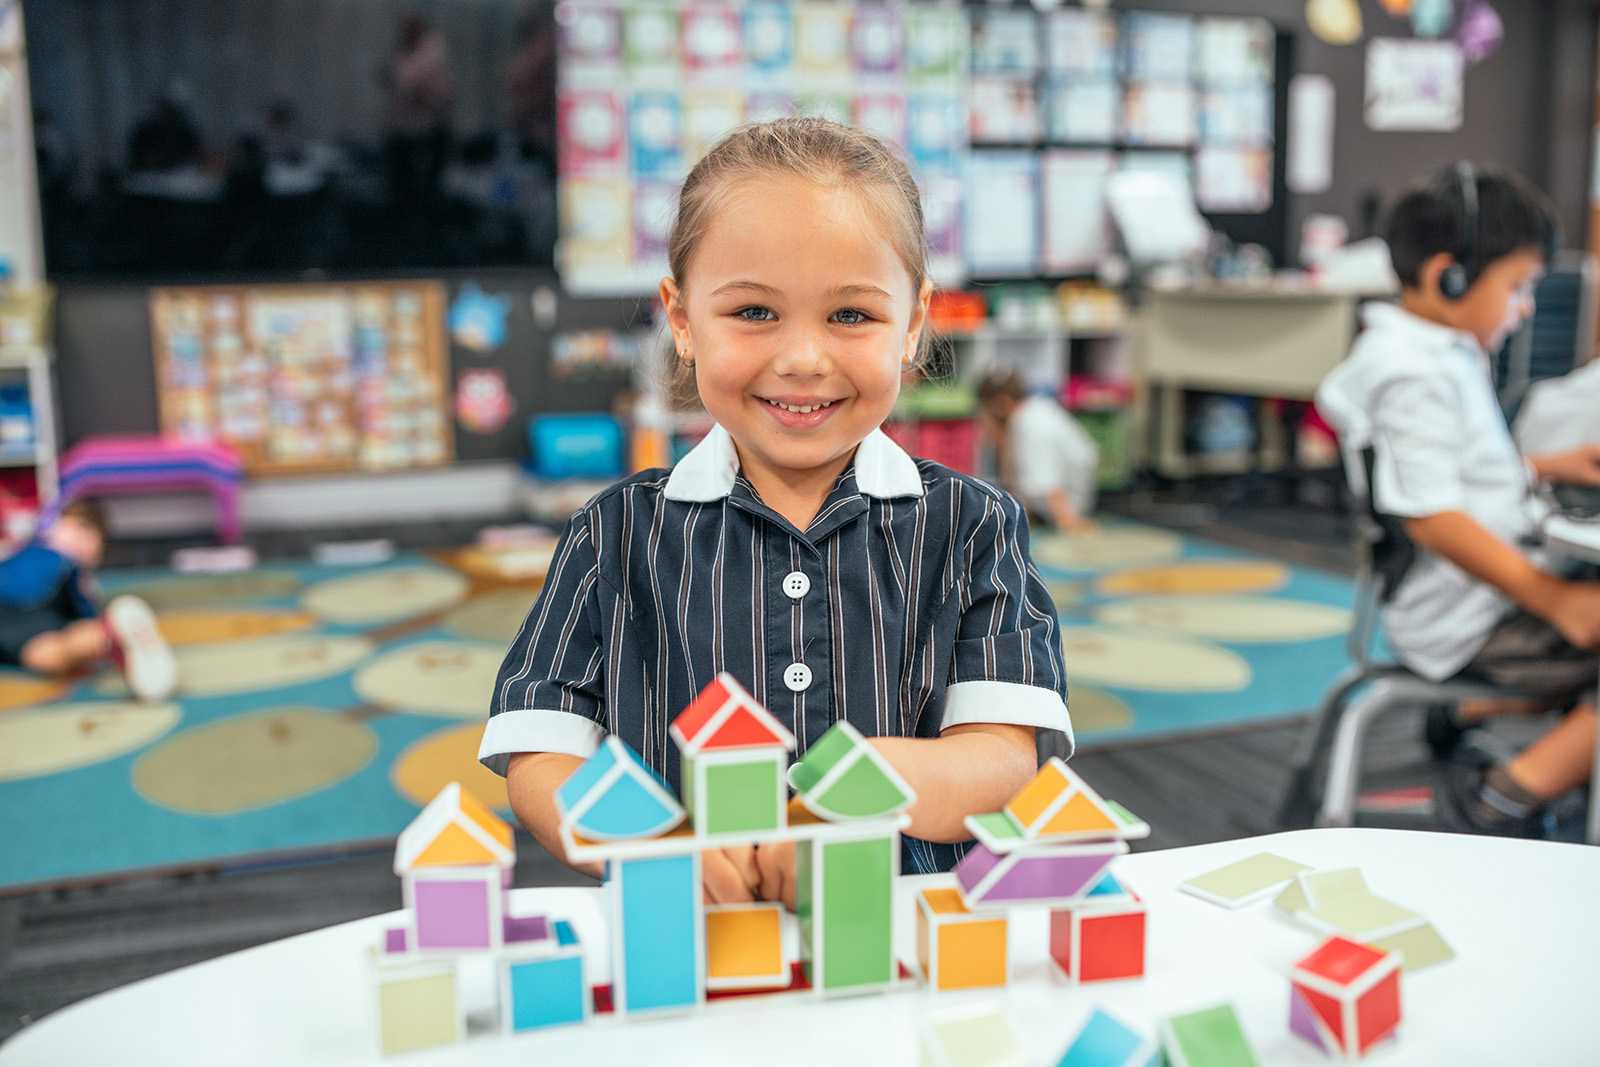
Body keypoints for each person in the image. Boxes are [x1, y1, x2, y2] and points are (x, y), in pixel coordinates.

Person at [480, 118, 1070, 900]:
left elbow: (1001, 756)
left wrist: (865, 789)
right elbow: (540, 752)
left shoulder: (972, 526)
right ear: (683, 320)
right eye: (754, 312)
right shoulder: (615, 533)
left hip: (906, 942)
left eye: (851, 314)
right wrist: (639, 839)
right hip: (687, 944)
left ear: (914, 323)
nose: (801, 358)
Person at [1317, 163, 1600, 837]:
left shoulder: (1437, 348)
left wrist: (1541, 465)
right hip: (1469, 614)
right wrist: (1554, 599)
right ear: (1449, 275)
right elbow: (1433, 517)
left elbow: (1448, 472)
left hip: (1474, 597)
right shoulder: (1413, 373)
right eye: (1518, 286)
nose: (1526, 306)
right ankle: (1504, 796)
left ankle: (1473, 716)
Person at [0, 501, 177, 702]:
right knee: (49, 651)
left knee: (45, 653)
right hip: (31, 607)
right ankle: (108, 636)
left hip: (21, 614)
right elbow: (82, 606)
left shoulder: (38, 554)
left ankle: (108, 636)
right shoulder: (55, 558)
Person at [977, 369, 1099, 533]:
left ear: (1002, 403)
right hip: (1052, 509)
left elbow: (1050, 488)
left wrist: (1070, 525)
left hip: (1062, 512)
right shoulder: (1037, 408)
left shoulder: (1030, 426)